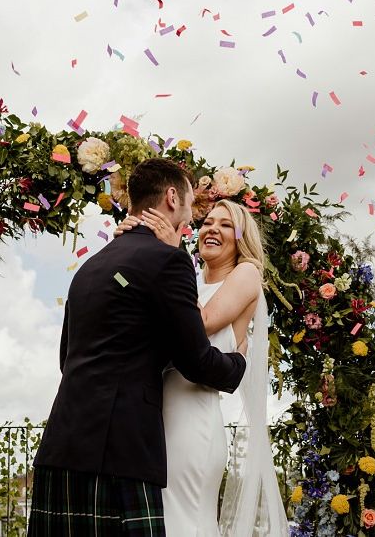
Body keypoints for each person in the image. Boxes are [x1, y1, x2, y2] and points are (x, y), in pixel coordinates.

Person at [28, 158, 247, 536]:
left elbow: (67, 358)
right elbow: (194, 360)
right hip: (118, 454)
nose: (192, 220)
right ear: (172, 196)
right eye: (191, 203)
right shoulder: (169, 261)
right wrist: (238, 364)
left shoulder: (91, 266)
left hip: (61, 448)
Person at [116, 199, 289, 536]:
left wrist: (170, 255)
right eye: (208, 222)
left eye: (226, 225)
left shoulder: (246, 272)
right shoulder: (187, 279)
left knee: (186, 520)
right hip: (155, 416)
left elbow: (202, 323)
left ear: (240, 237)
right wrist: (127, 247)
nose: (213, 229)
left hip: (193, 418)